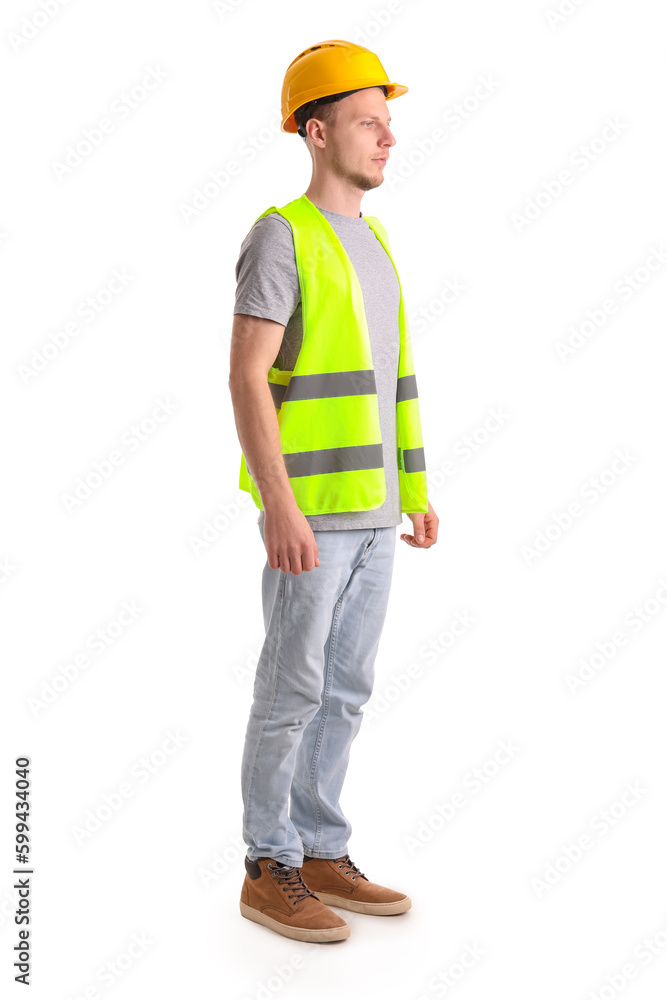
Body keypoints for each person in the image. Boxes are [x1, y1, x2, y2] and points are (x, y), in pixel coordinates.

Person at [229, 39, 439, 943]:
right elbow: (246, 378)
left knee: (346, 689)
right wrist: (279, 504)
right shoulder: (282, 233)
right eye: (367, 121)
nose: (386, 136)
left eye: (388, 123)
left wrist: (416, 490)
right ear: (317, 133)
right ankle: (266, 864)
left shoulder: (375, 236)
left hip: (376, 512)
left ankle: (319, 847)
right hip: (310, 516)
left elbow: (394, 377)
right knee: (292, 690)